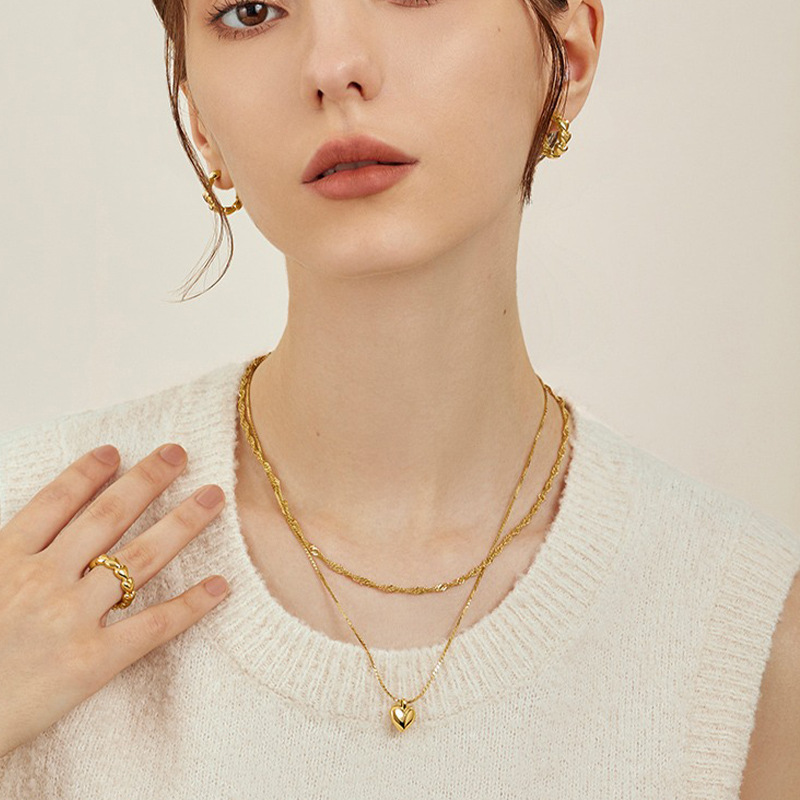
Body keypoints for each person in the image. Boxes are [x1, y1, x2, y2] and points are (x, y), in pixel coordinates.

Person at [0, 0, 798, 797]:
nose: (333, 68)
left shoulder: (743, 625)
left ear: (568, 56)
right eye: (250, 10)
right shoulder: (23, 545)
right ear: (201, 121)